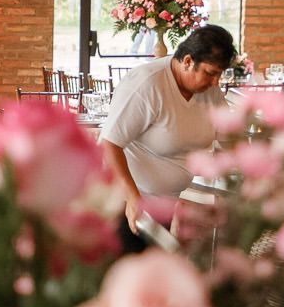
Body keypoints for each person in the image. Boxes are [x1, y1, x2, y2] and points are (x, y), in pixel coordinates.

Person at [99, 22, 237, 241]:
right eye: (210, 74)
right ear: (188, 61)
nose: (215, 83)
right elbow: (109, 144)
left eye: (219, 75)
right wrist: (134, 200)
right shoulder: (148, 84)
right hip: (125, 201)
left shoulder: (210, 93)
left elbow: (232, 139)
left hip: (165, 202)